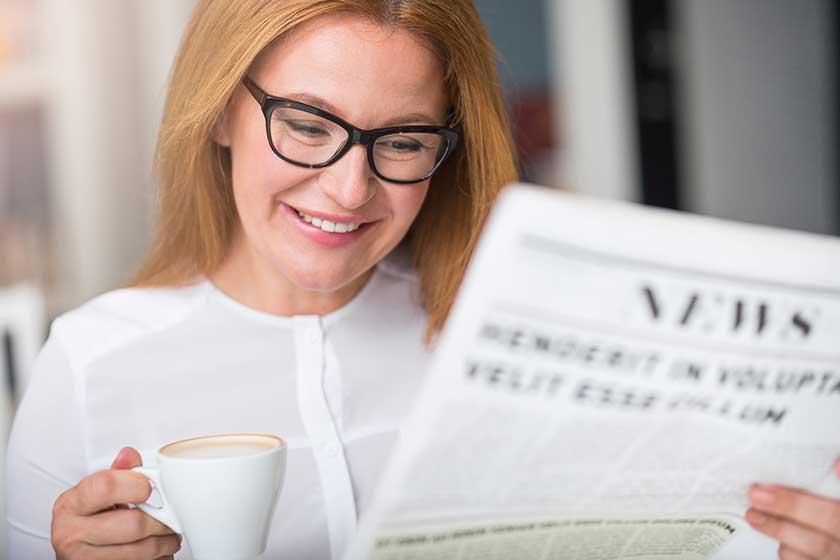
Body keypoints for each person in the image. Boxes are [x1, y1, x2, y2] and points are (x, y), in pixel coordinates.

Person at [5, 1, 840, 559]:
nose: (347, 189)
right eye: (305, 124)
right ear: (221, 108)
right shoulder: (92, 361)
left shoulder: (498, 329)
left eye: (402, 142)